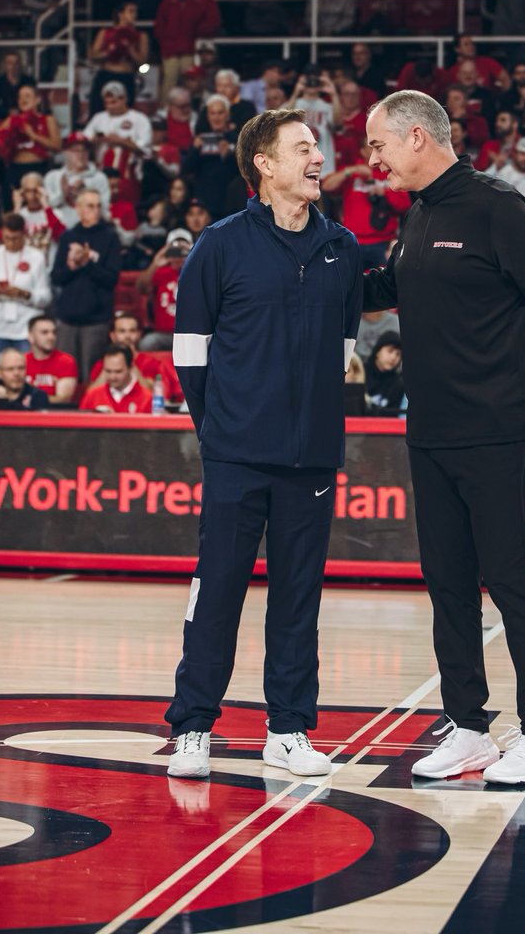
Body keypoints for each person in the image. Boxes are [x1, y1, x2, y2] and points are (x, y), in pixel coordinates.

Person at [363, 91, 525, 785]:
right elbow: (382, 285)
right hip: (430, 432)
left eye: (380, 146)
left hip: (497, 431)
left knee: (513, 581)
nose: (374, 160)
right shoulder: (419, 216)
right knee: (448, 585)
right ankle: (469, 727)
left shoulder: (495, 207)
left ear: (418, 137)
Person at [166, 107, 362, 780]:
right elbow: (190, 353)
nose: (317, 158)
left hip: (310, 455)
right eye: (303, 148)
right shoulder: (218, 245)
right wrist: (219, 427)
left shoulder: (342, 248)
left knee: (298, 597)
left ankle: (288, 728)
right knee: (218, 589)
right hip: (235, 454)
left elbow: (341, 350)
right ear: (265, 166)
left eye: (318, 147)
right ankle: (192, 725)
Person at [51, 190, 122, 380]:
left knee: (91, 373)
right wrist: (72, 266)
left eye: (99, 206)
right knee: (66, 372)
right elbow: (56, 277)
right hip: (67, 318)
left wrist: (87, 264)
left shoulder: (110, 237)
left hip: (96, 318)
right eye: (90, 206)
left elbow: (111, 278)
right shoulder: (68, 236)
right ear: (78, 209)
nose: (96, 210)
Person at [153, 0, 221, 99]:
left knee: (192, 85)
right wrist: (165, 42)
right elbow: (159, 23)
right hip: (170, 51)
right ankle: (166, 114)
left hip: (192, 50)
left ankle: (192, 113)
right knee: (168, 85)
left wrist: (197, 34)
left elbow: (213, 21)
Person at [81, 81, 153, 206]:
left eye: (113, 102)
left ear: (124, 99)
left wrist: (120, 141)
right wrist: (95, 139)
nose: (110, 107)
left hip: (128, 175)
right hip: (101, 172)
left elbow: (146, 151)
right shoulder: (99, 118)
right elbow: (83, 140)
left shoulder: (139, 119)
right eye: (107, 103)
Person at [0, 213, 52, 356]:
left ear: (23, 234)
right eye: (7, 238)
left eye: (15, 238)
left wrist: (24, 294)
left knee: (25, 373)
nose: (10, 242)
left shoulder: (36, 257)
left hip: (25, 329)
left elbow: (46, 298)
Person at [87, 0, 149, 115]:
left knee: (125, 112)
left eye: (135, 12)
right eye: (131, 11)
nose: (134, 15)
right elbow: (92, 55)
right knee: (98, 110)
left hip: (126, 76)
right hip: (107, 74)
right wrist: (108, 52)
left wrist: (130, 50)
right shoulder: (105, 32)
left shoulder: (140, 35)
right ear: (121, 14)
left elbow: (143, 61)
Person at [136, 227, 193, 350]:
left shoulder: (196, 271)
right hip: (164, 333)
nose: (178, 254)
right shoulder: (162, 272)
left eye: (182, 250)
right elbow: (141, 288)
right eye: (174, 249)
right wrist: (155, 264)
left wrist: (193, 257)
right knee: (147, 343)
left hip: (190, 333)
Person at [44, 133, 111, 226]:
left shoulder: (99, 177)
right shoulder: (53, 176)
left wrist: (86, 193)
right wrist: (63, 193)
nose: (81, 154)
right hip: (61, 231)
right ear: (65, 152)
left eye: (84, 150)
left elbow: (105, 211)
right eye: (75, 151)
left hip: (90, 230)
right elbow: (48, 207)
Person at [79, 344, 153, 414]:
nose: (112, 377)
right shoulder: (92, 396)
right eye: (108, 371)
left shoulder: (147, 399)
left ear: (130, 367)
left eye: (118, 371)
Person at [25, 314, 78, 405]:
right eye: (44, 332)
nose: (51, 337)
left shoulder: (65, 361)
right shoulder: (21, 361)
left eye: (54, 332)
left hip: (54, 414)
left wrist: (33, 400)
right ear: (31, 337)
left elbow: (63, 399)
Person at [364, 333, 406, 414]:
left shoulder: (399, 383)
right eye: (390, 351)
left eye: (398, 354)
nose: (394, 357)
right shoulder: (360, 372)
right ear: (377, 351)